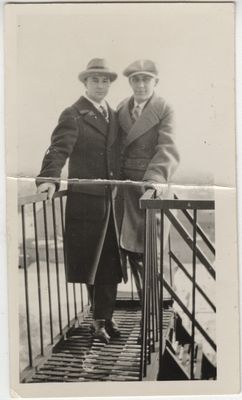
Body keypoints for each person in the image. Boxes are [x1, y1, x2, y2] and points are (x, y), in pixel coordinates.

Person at [36, 58, 127, 344]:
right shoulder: (73, 114)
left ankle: (104, 318)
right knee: (93, 264)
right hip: (87, 203)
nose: (101, 85)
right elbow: (58, 150)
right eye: (95, 80)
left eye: (105, 81)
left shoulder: (113, 114)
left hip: (111, 203)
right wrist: (49, 180)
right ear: (85, 82)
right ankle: (99, 320)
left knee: (110, 264)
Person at [117, 59, 180, 301]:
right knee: (130, 249)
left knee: (151, 250)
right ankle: (146, 301)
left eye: (146, 79)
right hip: (126, 189)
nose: (141, 85)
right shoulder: (122, 108)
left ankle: (155, 304)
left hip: (152, 187)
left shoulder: (164, 108)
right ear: (130, 82)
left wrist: (154, 180)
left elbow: (168, 148)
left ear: (156, 82)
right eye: (135, 79)